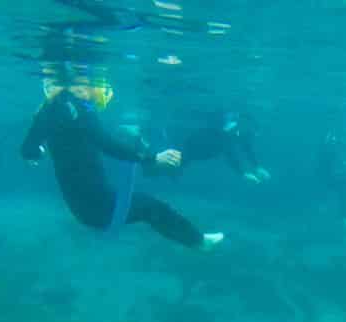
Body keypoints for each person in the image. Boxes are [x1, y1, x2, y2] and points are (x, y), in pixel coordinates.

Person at [20, 76, 224, 251]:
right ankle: (199, 242)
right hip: (99, 207)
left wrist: (38, 152)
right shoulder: (76, 108)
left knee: (146, 206)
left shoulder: (48, 109)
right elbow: (106, 144)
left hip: (81, 205)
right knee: (152, 208)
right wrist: (153, 158)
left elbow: (28, 149)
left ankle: (196, 241)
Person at [177, 110, 270, 184]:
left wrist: (257, 167)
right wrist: (243, 173)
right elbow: (229, 153)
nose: (251, 133)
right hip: (199, 148)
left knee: (183, 162)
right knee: (182, 160)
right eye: (249, 128)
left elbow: (246, 149)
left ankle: (174, 171)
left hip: (207, 150)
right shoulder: (228, 129)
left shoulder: (242, 132)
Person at [317, 129, 346, 226]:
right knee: (341, 192)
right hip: (330, 175)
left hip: (334, 175)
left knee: (344, 192)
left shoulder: (334, 146)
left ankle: (342, 217)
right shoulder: (328, 148)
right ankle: (341, 217)